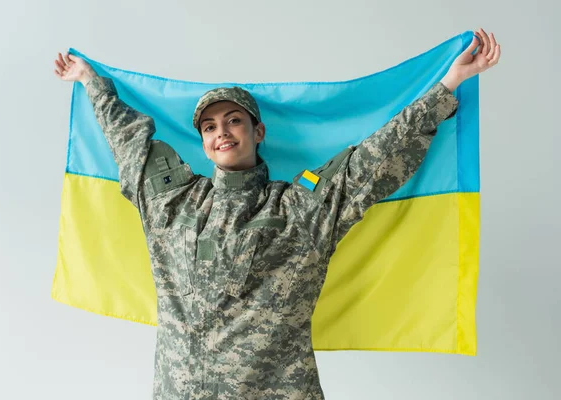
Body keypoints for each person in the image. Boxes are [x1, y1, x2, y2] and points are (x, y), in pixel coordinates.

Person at [54, 28, 500, 400]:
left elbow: (372, 162)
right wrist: (90, 80)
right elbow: (128, 138)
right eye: (209, 127)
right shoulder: (172, 204)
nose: (221, 132)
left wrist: (445, 89)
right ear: (203, 141)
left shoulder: (299, 208)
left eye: (233, 121)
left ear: (257, 131)